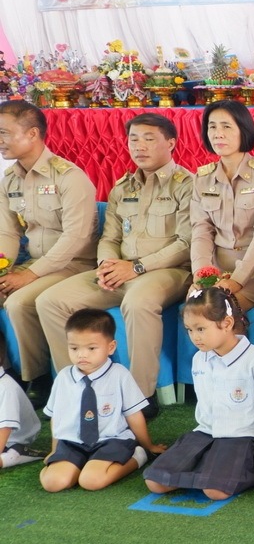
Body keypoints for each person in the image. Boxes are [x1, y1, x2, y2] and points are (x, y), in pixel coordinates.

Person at [37, 114, 192, 421]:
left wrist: (136, 267)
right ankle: (76, 386)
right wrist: (107, 265)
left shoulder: (187, 185)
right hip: (119, 270)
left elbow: (187, 242)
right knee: (50, 301)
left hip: (168, 271)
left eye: (149, 139)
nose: (140, 146)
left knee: (138, 302)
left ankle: (141, 395)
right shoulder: (122, 187)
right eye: (134, 139)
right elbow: (109, 237)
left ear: (171, 143)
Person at [144, 287, 254, 500]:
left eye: (201, 329)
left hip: (242, 436)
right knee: (155, 482)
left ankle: (251, 464)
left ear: (227, 323)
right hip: (205, 433)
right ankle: (210, 465)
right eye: (189, 330)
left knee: (215, 491)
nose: (195, 337)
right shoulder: (199, 358)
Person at [0, 101, 98, 407]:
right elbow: (8, 233)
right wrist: (3, 268)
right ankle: (7, 375)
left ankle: (40, 378)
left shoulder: (69, 177)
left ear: (32, 134)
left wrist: (28, 275)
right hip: (34, 263)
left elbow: (75, 239)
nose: (0, 140)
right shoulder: (10, 180)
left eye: (4, 133)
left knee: (18, 302)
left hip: (73, 264)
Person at [39, 309, 162, 493]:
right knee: (53, 483)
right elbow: (58, 417)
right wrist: (55, 450)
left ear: (111, 347)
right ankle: (79, 464)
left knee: (91, 481)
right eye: (74, 348)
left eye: (91, 348)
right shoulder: (64, 377)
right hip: (73, 442)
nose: (82, 355)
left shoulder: (119, 374)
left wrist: (148, 445)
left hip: (111, 440)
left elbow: (134, 415)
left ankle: (138, 456)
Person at [190, 100, 254, 311]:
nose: (218, 134)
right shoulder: (202, 177)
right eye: (212, 127)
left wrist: (237, 280)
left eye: (226, 126)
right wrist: (203, 275)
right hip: (218, 270)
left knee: (218, 308)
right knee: (195, 305)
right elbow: (201, 231)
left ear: (243, 130)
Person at [0, 329, 40, 469]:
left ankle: (19, 453)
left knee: (8, 454)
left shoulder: (6, 388)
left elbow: (5, 428)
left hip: (13, 439)